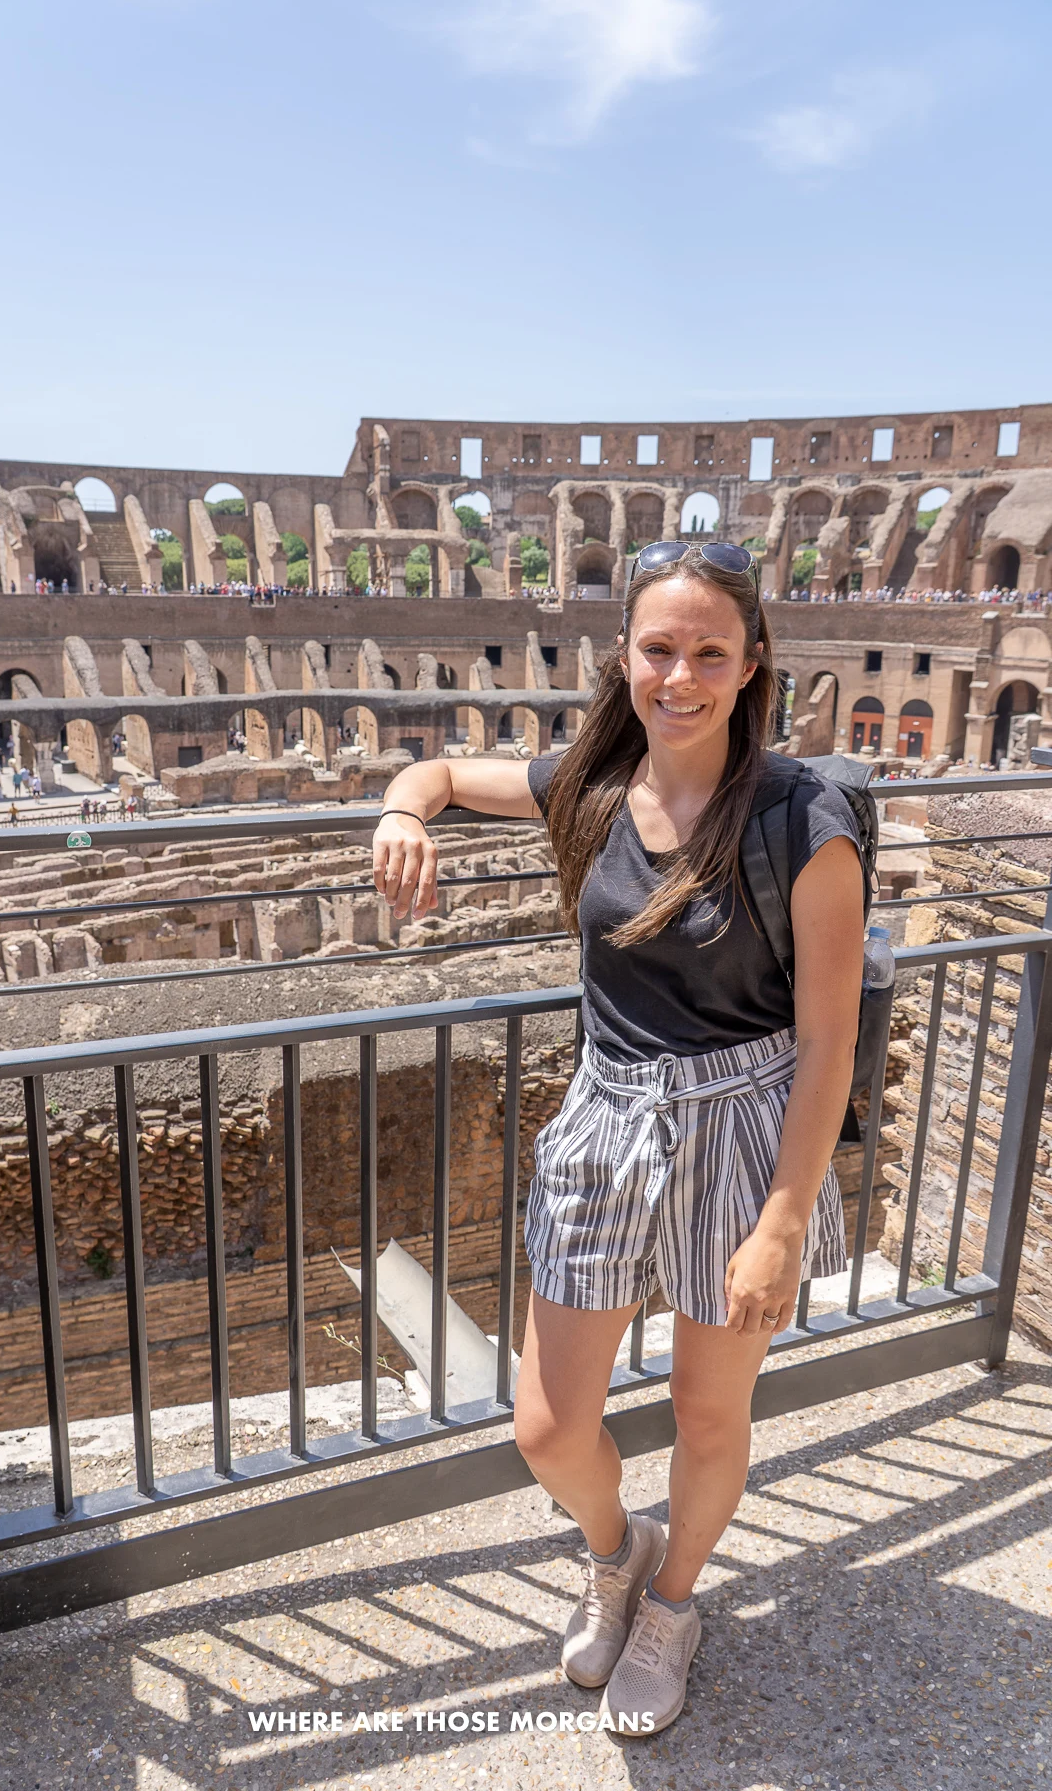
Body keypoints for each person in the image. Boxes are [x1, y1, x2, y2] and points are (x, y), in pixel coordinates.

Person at [371, 541, 864, 1735]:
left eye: (709, 652)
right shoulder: (588, 784)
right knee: (547, 1421)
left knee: (708, 1410)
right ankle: (618, 1548)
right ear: (624, 657)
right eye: (659, 649)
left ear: (752, 667)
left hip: (745, 1129)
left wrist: (782, 1223)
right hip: (607, 1120)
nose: (680, 675)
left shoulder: (809, 820)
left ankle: (675, 1605)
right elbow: (436, 771)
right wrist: (402, 809)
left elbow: (831, 1040)